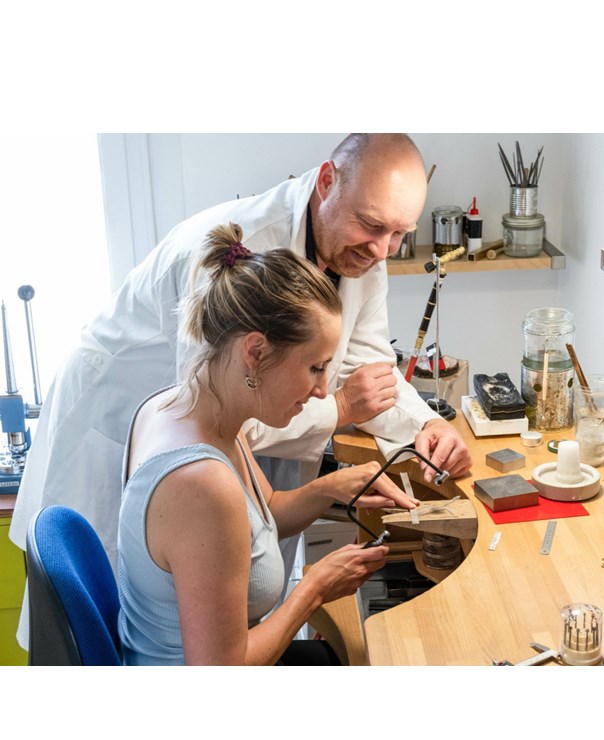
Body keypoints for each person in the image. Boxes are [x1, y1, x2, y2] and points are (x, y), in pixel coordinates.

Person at [9, 133, 472, 602]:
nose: (383, 250)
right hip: (114, 423)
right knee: (104, 618)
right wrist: (338, 408)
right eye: (372, 226)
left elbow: (368, 365)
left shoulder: (363, 250)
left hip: (200, 455)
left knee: (225, 602)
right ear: (328, 182)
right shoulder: (240, 254)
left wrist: (425, 425)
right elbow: (214, 410)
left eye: (400, 234)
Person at [119, 224, 417, 666]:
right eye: (315, 367)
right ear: (255, 352)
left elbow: (265, 512)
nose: (322, 390)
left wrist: (337, 486)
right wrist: (313, 590)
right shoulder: (201, 485)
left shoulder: (180, 408)